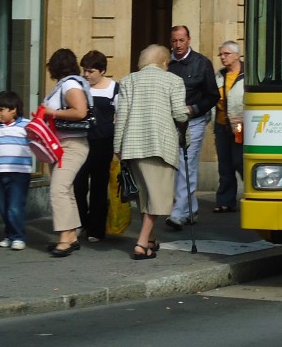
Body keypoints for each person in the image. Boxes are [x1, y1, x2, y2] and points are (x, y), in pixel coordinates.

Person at [114, 44, 190, 260]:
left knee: (145, 196)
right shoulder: (173, 81)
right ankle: (141, 243)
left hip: (132, 145)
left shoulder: (129, 80)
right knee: (157, 197)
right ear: (164, 62)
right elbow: (180, 114)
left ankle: (150, 239)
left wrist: (118, 147)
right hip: (159, 145)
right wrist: (188, 112)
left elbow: (122, 117)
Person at [165, 25, 218, 231]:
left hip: (194, 121)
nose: (178, 45)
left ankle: (178, 212)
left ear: (189, 40)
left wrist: (194, 109)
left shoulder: (201, 63)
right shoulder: (165, 63)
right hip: (170, 122)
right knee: (177, 165)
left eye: (181, 40)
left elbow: (213, 95)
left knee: (187, 165)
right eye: (174, 41)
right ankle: (191, 208)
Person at [43, 48, 91, 257]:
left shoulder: (70, 84)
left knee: (58, 190)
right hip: (63, 144)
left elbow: (80, 111)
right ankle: (71, 235)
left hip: (71, 143)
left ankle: (65, 238)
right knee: (67, 190)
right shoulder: (68, 83)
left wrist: (51, 112)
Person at [74, 51, 118, 243]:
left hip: (103, 142)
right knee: (78, 185)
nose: (86, 75)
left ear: (102, 71)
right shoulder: (79, 88)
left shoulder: (115, 88)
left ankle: (96, 228)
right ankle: (80, 221)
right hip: (81, 140)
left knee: (99, 186)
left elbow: (121, 115)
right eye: (84, 70)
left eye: (90, 71)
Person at [0, 90, 31, 250]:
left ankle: (18, 236)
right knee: (4, 206)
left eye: (1, 110)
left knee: (15, 206)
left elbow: (37, 140)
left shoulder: (25, 125)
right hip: (1, 172)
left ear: (13, 109)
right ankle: (9, 234)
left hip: (20, 172)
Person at [213, 41, 244, 213]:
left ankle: (253, 189)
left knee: (239, 160)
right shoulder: (219, 75)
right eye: (221, 54)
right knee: (224, 164)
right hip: (221, 126)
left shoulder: (247, 75)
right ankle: (225, 200)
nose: (223, 58)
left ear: (237, 55)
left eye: (226, 54)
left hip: (239, 126)